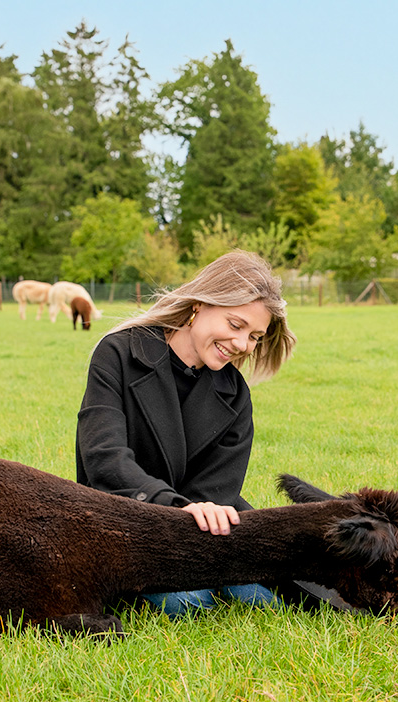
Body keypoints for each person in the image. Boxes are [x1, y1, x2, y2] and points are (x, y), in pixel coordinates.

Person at [75, 250, 297, 616]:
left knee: (262, 597)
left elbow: (220, 486)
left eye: (255, 336)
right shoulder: (118, 353)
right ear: (199, 305)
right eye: (235, 324)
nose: (242, 345)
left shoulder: (235, 392)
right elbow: (105, 458)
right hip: (125, 520)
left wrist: (203, 516)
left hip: (201, 528)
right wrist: (178, 508)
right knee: (188, 603)